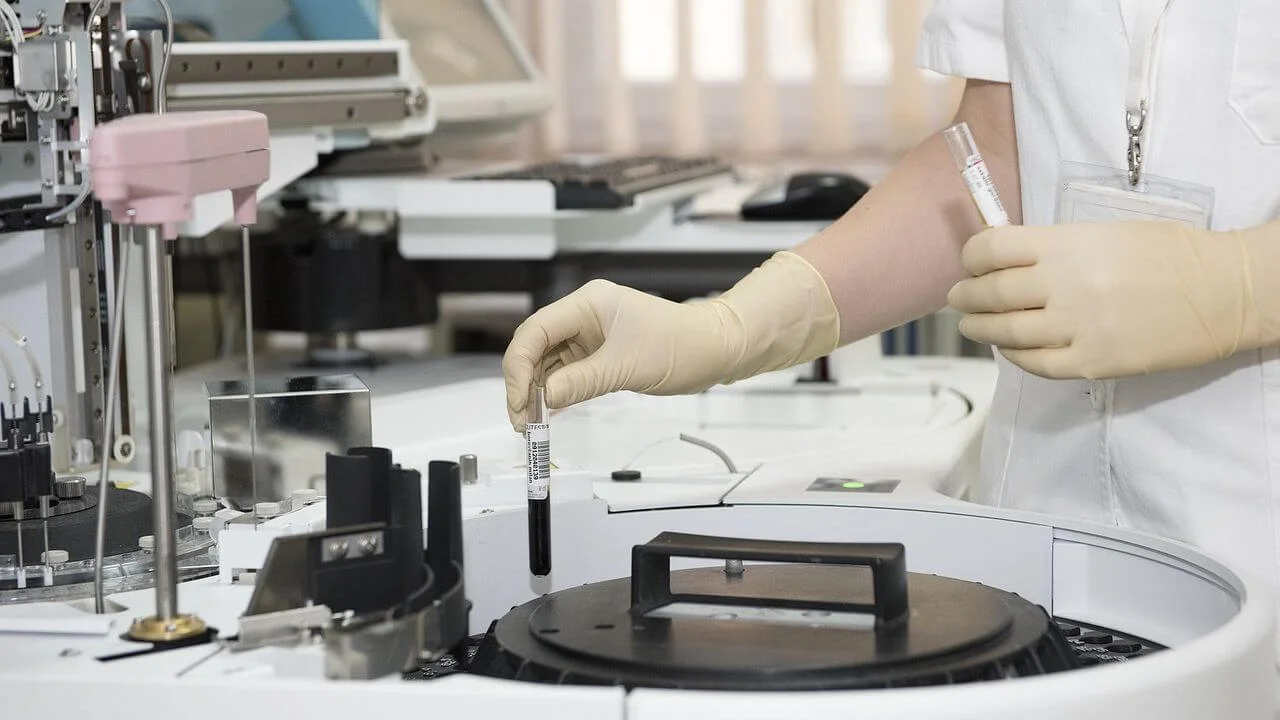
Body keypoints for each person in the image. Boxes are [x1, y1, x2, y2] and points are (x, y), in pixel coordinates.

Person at [502, 0, 1280, 613]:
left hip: (1256, 538)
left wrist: (1245, 282)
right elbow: (995, 156)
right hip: (1043, 535)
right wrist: (731, 326)